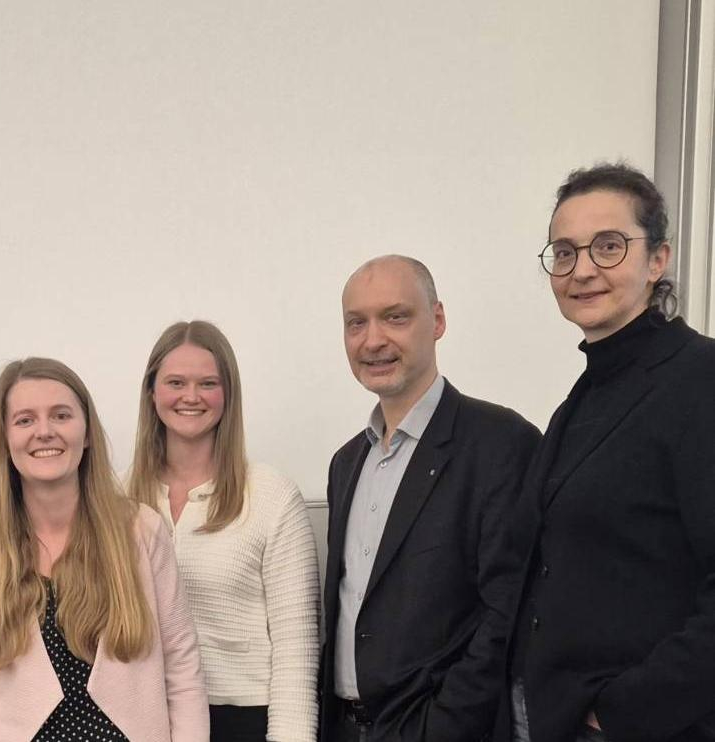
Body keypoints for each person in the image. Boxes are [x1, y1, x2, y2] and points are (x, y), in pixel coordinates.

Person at [503, 163, 715, 742]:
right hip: (551, 716)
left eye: (609, 246)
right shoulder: (583, 397)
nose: (583, 269)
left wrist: (621, 712)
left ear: (657, 260)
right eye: (564, 252)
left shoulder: (699, 379)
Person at [321, 256, 540, 741]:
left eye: (395, 317)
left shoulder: (501, 444)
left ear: (437, 320)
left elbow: (509, 612)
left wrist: (443, 725)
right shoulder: (346, 463)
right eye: (356, 323)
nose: (373, 340)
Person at [0, 357, 209, 741]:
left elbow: (182, 668)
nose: (44, 431)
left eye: (61, 415)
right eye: (25, 420)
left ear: (86, 434)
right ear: (4, 440)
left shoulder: (141, 530)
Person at [125, 320, 320, 742]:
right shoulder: (119, 500)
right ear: (152, 392)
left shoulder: (272, 496)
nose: (191, 396)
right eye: (176, 382)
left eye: (208, 383)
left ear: (228, 394)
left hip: (243, 718)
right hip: (145, 718)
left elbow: (297, 649)